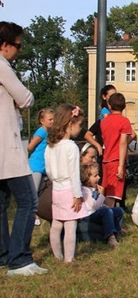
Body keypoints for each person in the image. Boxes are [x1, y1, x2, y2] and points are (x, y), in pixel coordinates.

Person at [0, 21, 48, 276]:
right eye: (18, 45)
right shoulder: (2, 66)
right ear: (5, 46)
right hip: (6, 148)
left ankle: (4, 254)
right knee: (28, 201)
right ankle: (19, 259)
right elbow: (26, 98)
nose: (19, 50)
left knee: (1, 204)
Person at [45, 104, 86, 263]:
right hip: (69, 189)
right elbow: (74, 174)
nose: (80, 128)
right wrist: (77, 194)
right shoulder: (71, 147)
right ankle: (69, 258)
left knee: (56, 224)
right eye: (79, 125)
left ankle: (57, 256)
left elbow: (48, 170)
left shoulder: (50, 146)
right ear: (70, 124)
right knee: (70, 226)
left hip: (56, 188)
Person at [100, 93, 133, 211]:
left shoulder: (104, 121)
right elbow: (123, 142)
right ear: (124, 106)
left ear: (109, 105)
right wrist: (121, 165)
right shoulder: (124, 121)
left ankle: (105, 220)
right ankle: (109, 224)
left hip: (106, 160)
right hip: (116, 160)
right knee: (113, 195)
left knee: (104, 191)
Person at [80, 163, 123, 248]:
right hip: (88, 215)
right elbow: (93, 206)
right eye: (95, 176)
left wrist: (106, 206)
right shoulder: (84, 190)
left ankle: (117, 230)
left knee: (118, 210)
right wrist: (102, 195)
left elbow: (101, 205)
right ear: (87, 178)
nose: (99, 178)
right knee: (105, 211)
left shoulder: (93, 189)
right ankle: (110, 236)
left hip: (97, 212)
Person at [28, 108, 54, 226]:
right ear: (42, 121)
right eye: (50, 119)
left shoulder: (48, 132)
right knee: (33, 191)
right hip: (36, 166)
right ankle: (33, 215)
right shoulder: (42, 131)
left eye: (53, 119)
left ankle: (37, 212)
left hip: (42, 167)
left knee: (39, 191)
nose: (52, 121)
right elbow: (30, 146)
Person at [84, 85, 117, 159]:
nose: (114, 98)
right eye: (111, 96)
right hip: (105, 152)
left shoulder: (116, 112)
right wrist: (98, 145)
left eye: (115, 95)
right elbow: (88, 135)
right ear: (104, 97)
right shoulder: (104, 111)